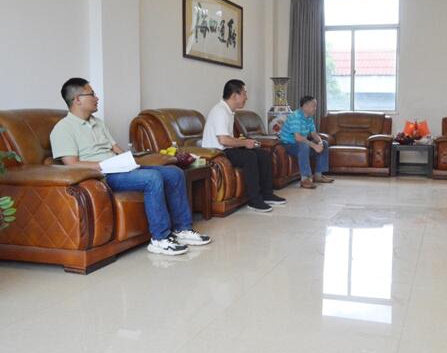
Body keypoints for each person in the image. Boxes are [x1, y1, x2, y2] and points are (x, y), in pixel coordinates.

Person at [50, 78, 210, 256]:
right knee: (152, 178)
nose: (97, 98)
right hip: (101, 175)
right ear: (77, 99)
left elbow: (115, 148)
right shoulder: (63, 129)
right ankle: (159, 239)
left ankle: (182, 229)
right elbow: (71, 164)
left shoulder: (98, 122)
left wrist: (128, 159)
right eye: (92, 94)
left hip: (120, 168)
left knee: (174, 173)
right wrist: (104, 165)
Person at [201, 79, 286, 213]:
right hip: (217, 153)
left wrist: (245, 142)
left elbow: (227, 138)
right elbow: (223, 139)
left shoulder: (229, 111)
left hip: (226, 149)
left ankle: (267, 194)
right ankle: (254, 201)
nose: (246, 97)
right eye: (244, 93)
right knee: (249, 157)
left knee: (263, 154)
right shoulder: (220, 111)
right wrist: (245, 143)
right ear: (235, 95)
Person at [279, 95, 333, 189]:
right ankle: (305, 179)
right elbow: (298, 137)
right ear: (305, 106)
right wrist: (314, 146)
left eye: (315, 106)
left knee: (324, 143)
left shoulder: (309, 118)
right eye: (314, 106)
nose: (315, 108)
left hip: (300, 144)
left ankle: (318, 175)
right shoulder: (295, 116)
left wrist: (320, 143)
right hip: (288, 144)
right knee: (304, 145)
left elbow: (314, 134)